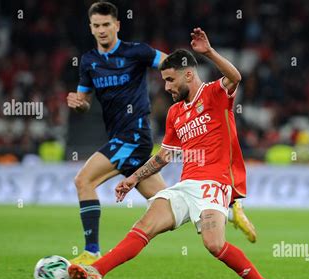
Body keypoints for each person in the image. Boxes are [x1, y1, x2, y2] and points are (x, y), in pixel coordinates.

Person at [68, 28, 281, 279]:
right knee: (144, 225)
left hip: (214, 183)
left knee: (214, 244)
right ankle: (97, 270)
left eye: (170, 80)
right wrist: (132, 179)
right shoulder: (175, 113)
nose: (166, 87)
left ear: (188, 75)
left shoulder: (214, 94)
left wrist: (208, 53)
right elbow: (164, 156)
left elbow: (235, 77)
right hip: (185, 185)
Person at [67, 2, 258, 265]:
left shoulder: (137, 52)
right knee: (164, 203)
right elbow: (85, 101)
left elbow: (174, 64)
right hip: (120, 137)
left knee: (83, 181)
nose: (101, 30)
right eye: (96, 26)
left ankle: (92, 252)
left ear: (117, 25)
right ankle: (229, 206)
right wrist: (80, 105)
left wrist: (198, 60)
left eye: (106, 25)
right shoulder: (88, 61)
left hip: (133, 133)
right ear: (90, 28)